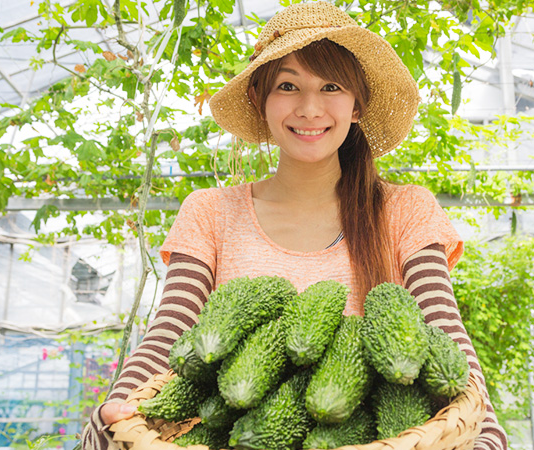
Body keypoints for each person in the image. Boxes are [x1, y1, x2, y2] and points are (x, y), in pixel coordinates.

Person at [81, 2, 507, 449]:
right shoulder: (210, 211)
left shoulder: (405, 210)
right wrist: (121, 408)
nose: (309, 108)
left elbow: (447, 339)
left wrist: (485, 437)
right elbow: (170, 335)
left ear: (357, 105)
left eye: (331, 86)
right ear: (259, 99)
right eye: (288, 85)